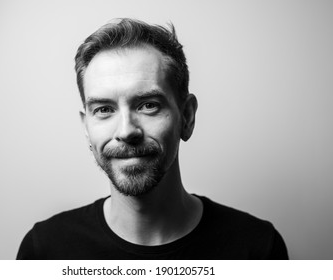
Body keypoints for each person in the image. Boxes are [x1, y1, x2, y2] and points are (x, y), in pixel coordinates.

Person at [17, 18, 288, 260]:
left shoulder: (257, 249)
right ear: (86, 128)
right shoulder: (45, 251)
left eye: (148, 105)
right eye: (104, 110)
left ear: (187, 117)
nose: (126, 131)